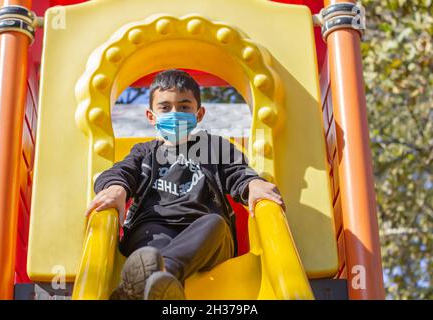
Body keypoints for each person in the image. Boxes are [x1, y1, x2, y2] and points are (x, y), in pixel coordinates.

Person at [85, 69, 284, 300]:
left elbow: (237, 172)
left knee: (214, 223)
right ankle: (160, 281)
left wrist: (253, 184)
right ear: (151, 116)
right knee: (148, 248)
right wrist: (116, 187)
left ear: (199, 114)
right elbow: (122, 171)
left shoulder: (215, 147)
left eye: (184, 106)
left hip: (205, 233)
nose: (175, 113)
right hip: (154, 227)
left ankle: (149, 280)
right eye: (165, 107)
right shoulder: (144, 151)